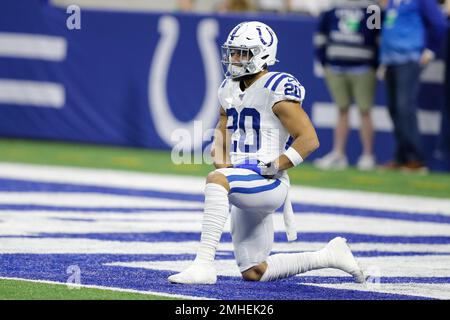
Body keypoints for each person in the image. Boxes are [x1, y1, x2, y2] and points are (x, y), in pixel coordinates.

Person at [168, 21, 365, 284]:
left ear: (262, 54)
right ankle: (330, 256)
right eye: (233, 52)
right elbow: (223, 126)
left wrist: (275, 165)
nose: (234, 59)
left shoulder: (276, 87)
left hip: (268, 181)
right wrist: (223, 159)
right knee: (254, 272)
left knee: (217, 180)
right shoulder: (227, 87)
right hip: (244, 180)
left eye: (242, 53)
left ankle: (203, 265)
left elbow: (309, 139)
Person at [380, 0, 447, 172]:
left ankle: (416, 158)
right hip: (391, 59)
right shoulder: (394, 2)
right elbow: (391, 26)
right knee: (394, 109)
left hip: (409, 58)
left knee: (404, 107)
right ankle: (402, 156)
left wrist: (430, 50)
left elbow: (439, 23)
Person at [313, 0, 380, 171]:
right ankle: (338, 153)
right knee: (342, 109)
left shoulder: (372, 8)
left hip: (363, 67)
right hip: (336, 66)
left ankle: (367, 155)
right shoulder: (332, 5)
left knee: (365, 110)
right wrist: (324, 59)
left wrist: (374, 63)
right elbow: (321, 32)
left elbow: (378, 36)